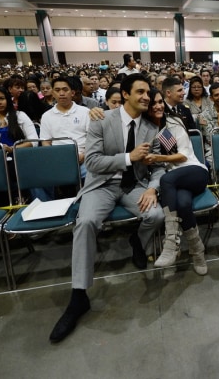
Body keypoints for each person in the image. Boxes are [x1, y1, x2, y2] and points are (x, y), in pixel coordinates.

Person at [49, 74, 165, 343]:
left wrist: (153, 188)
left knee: (156, 214)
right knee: (86, 222)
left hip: (133, 185)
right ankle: (79, 296)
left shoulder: (151, 127)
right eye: (140, 92)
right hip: (101, 184)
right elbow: (92, 162)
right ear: (125, 94)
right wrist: (128, 157)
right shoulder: (102, 119)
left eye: (148, 92)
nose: (146, 97)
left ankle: (138, 240)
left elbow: (158, 166)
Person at [143, 89, 208, 275]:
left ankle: (170, 242)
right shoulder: (145, 128)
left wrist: (156, 157)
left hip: (194, 171)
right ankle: (197, 251)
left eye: (160, 102)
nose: (158, 106)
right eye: (153, 103)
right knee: (183, 204)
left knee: (166, 178)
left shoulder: (173, 122)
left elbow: (182, 156)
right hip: (173, 184)